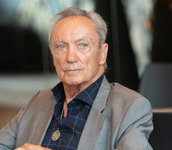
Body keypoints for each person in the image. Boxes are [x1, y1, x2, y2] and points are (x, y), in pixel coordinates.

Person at [0, 7, 153, 150]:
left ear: (102, 53)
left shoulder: (130, 107)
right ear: (53, 56)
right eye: (61, 46)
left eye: (83, 45)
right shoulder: (37, 101)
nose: (71, 57)